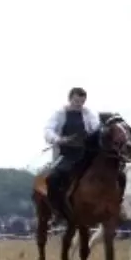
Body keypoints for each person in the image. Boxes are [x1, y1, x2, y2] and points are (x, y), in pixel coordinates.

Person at [43, 87, 101, 215]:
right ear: (70, 99)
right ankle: (56, 209)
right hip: (66, 154)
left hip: (86, 153)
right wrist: (60, 140)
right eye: (76, 101)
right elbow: (48, 131)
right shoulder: (59, 113)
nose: (79, 104)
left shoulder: (88, 113)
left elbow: (96, 127)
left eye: (81, 102)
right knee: (52, 178)